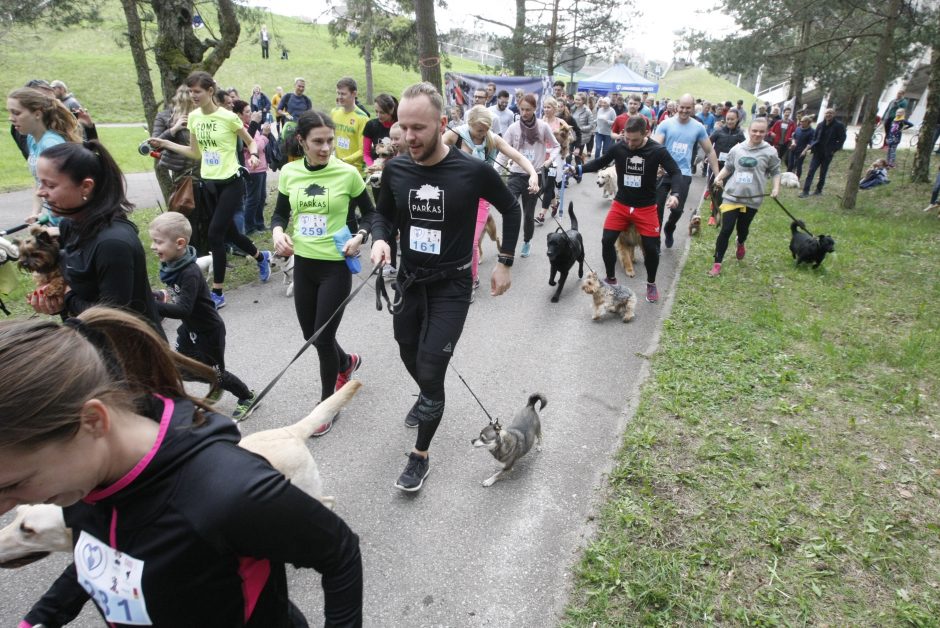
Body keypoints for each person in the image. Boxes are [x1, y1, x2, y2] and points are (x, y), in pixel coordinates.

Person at [0, 308, 363, 627]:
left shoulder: (228, 492)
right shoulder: (84, 482)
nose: (4, 507)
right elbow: (100, 553)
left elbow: (340, 551)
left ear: (92, 421)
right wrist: (39, 619)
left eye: (13, 484)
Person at [369, 82, 522, 492]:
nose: (408, 137)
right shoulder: (397, 169)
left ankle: (420, 455)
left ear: (441, 123)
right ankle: (427, 397)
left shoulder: (472, 170)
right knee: (407, 349)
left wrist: (504, 262)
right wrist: (381, 239)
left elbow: (510, 206)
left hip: (452, 285)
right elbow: (381, 215)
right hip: (408, 282)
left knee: (432, 366)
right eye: (402, 127)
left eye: (418, 127)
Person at [272, 110, 374, 436]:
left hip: (335, 267)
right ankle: (346, 363)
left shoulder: (347, 174)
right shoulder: (289, 173)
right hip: (304, 263)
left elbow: (371, 216)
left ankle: (325, 406)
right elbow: (280, 213)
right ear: (301, 141)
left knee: (323, 336)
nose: (326, 147)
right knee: (310, 335)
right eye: (318, 142)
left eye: (330, 140)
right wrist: (277, 232)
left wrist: (359, 238)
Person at [148, 71, 272, 310]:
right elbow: (195, 153)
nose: (193, 96)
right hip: (210, 184)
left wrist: (254, 155)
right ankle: (261, 257)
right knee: (232, 234)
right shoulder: (194, 118)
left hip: (232, 182)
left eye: (198, 91)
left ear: (210, 91)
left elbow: (251, 141)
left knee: (215, 234)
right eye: (191, 91)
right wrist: (165, 143)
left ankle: (217, 292)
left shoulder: (227, 117)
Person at [26, 141, 164, 337]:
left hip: (132, 355)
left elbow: (112, 319)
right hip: (90, 348)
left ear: (85, 187)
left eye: (50, 185)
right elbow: (80, 290)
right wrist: (55, 302)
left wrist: (66, 295)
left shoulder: (113, 243)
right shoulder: (69, 226)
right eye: (40, 183)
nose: (40, 192)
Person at [149, 212, 257, 419]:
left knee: (216, 372)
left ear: (180, 243)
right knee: (179, 366)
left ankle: (247, 396)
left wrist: (151, 304)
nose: (153, 247)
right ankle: (214, 384)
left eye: (158, 242)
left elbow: (183, 309)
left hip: (209, 331)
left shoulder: (189, 272)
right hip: (190, 328)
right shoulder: (172, 266)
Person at [575, 115, 682, 304]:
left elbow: (675, 172)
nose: (630, 144)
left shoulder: (657, 151)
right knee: (607, 240)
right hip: (622, 203)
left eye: (635, 140)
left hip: (646, 207)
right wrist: (579, 169)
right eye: (627, 138)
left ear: (646, 133)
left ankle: (651, 283)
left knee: (651, 248)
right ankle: (611, 279)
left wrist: (676, 194)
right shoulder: (620, 147)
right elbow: (600, 162)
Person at [443, 105, 538, 300]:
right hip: (457, 195)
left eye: (486, 129)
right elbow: (432, 150)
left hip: (481, 196)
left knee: (472, 240)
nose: (483, 133)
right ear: (469, 124)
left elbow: (518, 156)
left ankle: (471, 281)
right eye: (479, 130)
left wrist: (533, 174)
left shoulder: (492, 139)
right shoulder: (454, 135)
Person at [708, 118, 781, 277]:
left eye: (761, 131)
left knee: (743, 229)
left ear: (766, 132)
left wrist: (776, 188)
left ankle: (740, 242)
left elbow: (776, 171)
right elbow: (728, 167)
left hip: (752, 199)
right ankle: (717, 264)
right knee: (726, 230)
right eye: (755, 130)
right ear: (749, 130)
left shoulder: (770, 152)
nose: (757, 134)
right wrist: (718, 178)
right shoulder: (737, 149)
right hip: (732, 196)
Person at [652, 93, 720, 250]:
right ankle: (655, 241)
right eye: (682, 107)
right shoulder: (666, 124)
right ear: (677, 106)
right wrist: (655, 166)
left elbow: (710, 151)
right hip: (664, 172)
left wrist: (717, 175)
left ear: (693, 109)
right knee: (657, 207)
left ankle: (669, 228)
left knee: (677, 210)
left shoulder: (698, 127)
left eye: (688, 108)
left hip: (683, 173)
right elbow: (655, 147)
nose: (684, 111)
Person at [7, 86, 82, 226]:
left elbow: (70, 190)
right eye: (10, 113)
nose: (11, 118)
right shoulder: (32, 138)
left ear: (37, 114)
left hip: (67, 222)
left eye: (16, 113)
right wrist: (36, 213)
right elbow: (40, 182)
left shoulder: (51, 145)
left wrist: (55, 222)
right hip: (54, 218)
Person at [500, 93, 560, 257]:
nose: (524, 113)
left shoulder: (542, 127)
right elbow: (503, 150)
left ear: (535, 109)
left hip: (535, 177)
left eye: (528, 109)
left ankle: (526, 241)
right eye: (522, 109)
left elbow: (556, 146)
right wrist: (495, 171)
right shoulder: (513, 128)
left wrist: (548, 161)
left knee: (528, 214)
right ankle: (508, 246)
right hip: (515, 174)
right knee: (510, 210)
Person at [234, 100, 270, 235]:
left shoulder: (250, 127)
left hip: (261, 167)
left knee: (261, 197)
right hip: (252, 168)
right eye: (247, 112)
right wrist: (265, 136)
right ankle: (250, 227)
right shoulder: (241, 128)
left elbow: (258, 144)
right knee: (252, 199)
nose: (251, 114)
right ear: (239, 114)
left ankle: (259, 224)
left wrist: (263, 137)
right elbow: (256, 146)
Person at [707, 108, 745, 226]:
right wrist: (707, 155)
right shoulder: (719, 131)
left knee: (720, 190)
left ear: (737, 119)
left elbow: (745, 148)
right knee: (711, 186)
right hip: (715, 163)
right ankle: (713, 202)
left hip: (728, 167)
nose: (729, 121)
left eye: (732, 119)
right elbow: (708, 142)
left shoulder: (739, 134)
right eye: (728, 119)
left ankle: (713, 215)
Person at [799, 108, 846, 198]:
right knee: (811, 171)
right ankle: (805, 191)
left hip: (828, 153)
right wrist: (811, 146)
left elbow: (842, 138)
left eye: (830, 113)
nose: (828, 115)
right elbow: (815, 137)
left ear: (834, 114)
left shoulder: (838, 125)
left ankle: (818, 190)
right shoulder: (820, 125)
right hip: (817, 152)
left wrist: (834, 149)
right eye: (827, 113)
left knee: (823, 172)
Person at [331, 77, 370, 174]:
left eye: (343, 94)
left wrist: (344, 161)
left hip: (355, 171)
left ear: (354, 94)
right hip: (337, 168)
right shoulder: (334, 112)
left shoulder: (362, 118)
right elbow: (332, 139)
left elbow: (363, 150)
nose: (340, 97)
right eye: (338, 93)